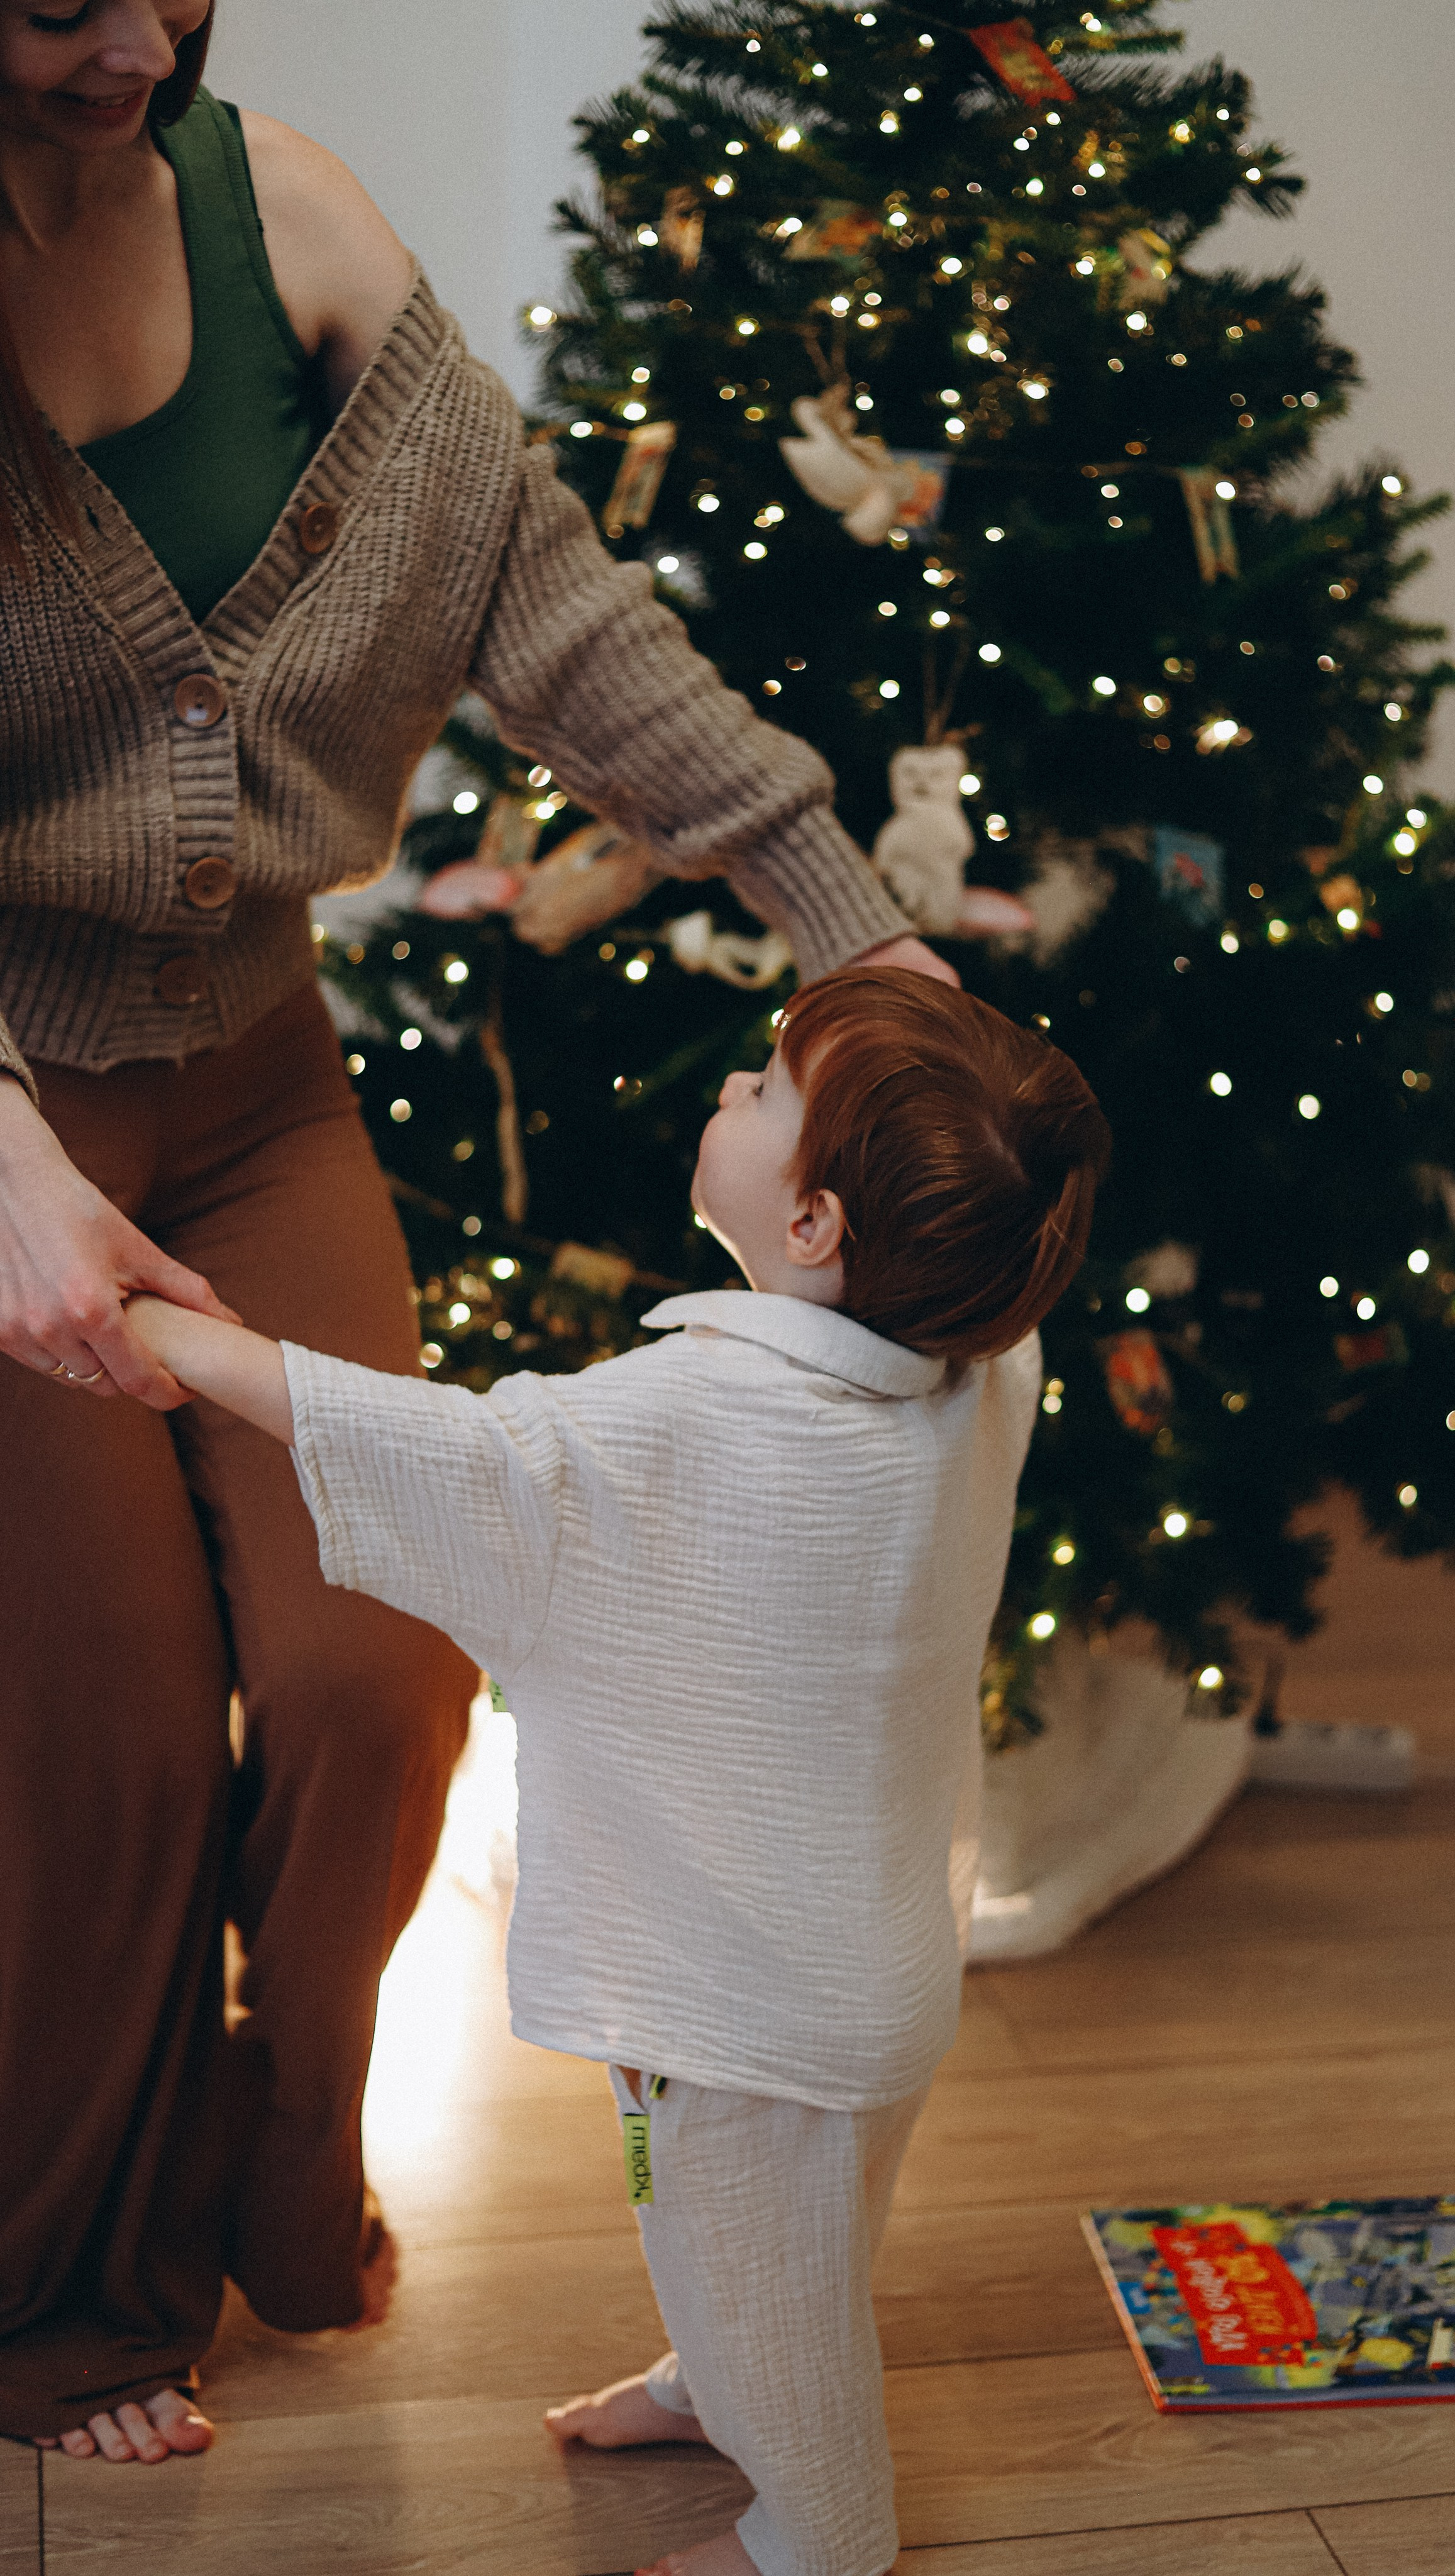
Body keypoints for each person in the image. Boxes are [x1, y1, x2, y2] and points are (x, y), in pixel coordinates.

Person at [0, 0, 954, 2464]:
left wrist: (840, 921)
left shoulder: (281, 210)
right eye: (44, 6)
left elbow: (549, 605)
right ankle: (75, 2295)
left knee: (383, 1668)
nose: (124, 46)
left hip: (250, 1086)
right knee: (92, 1745)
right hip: (2, 1119)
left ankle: (273, 2156)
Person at [124, 967, 1111, 2576]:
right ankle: (713, 2378)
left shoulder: (681, 1419)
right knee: (796, 2239)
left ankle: (816, 2530)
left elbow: (449, 1455)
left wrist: (168, 1333)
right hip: (874, 1970)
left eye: (768, 1091)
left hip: (732, 2008)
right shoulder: (972, 1369)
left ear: (811, 1229)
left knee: (739, 2249)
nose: (733, 1086)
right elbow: (1000, 1249)